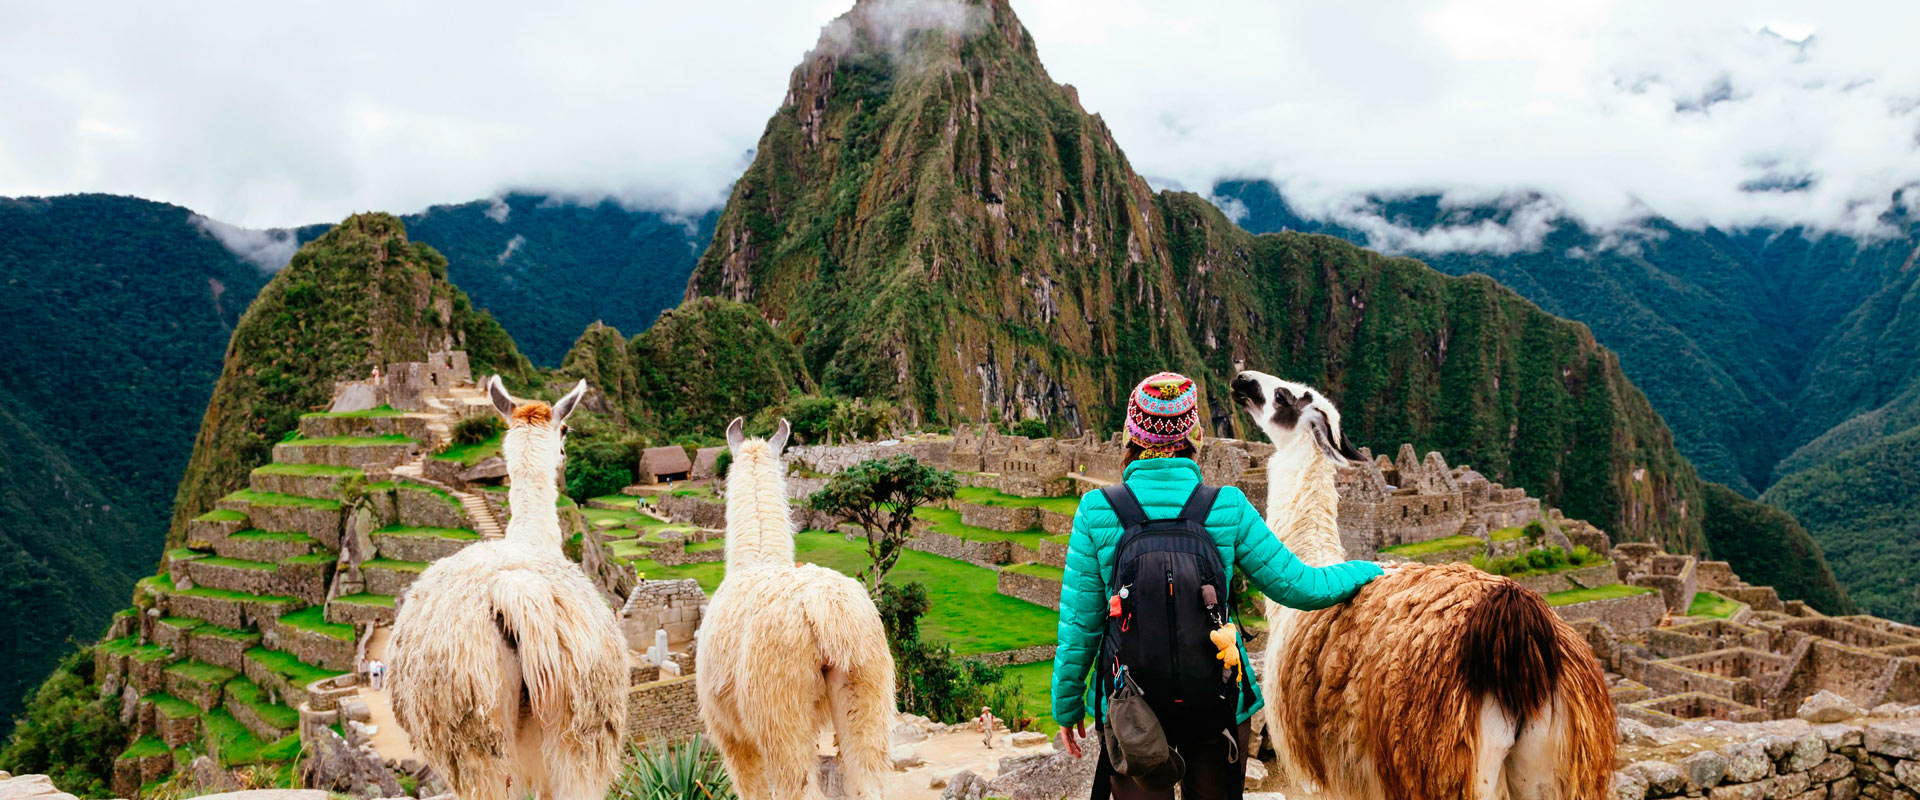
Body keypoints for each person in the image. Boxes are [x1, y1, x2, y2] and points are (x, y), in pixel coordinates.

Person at [1051, 372, 1391, 800]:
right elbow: (1300, 586)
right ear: (1194, 433)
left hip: (1129, 706)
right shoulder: (1226, 506)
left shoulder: (1097, 511)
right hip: (1217, 699)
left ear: (1131, 434)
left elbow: (1080, 626)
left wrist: (1066, 707)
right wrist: (1370, 571)